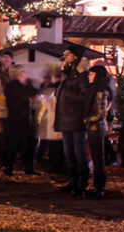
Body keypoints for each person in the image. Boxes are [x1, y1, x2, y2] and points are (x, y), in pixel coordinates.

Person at [55, 45, 91, 196]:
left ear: (75, 56)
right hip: (64, 117)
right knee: (68, 151)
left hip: (76, 117)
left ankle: (82, 181)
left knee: (78, 150)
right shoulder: (67, 73)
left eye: (68, 53)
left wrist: (68, 95)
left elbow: (85, 97)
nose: (66, 56)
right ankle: (72, 179)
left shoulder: (82, 75)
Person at [84, 64, 114, 199]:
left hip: (97, 127)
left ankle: (99, 187)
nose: (89, 77)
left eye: (91, 74)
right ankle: (97, 186)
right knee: (96, 157)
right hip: (94, 127)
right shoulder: (95, 89)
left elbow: (101, 112)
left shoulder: (101, 91)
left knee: (98, 158)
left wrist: (87, 120)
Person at [3, 65, 38, 176]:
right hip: (16, 119)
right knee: (14, 144)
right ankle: (9, 167)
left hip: (27, 120)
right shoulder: (11, 86)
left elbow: (34, 94)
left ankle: (28, 167)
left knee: (29, 144)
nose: (26, 72)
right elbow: (12, 102)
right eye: (23, 71)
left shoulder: (27, 86)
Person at [35, 68, 64, 175]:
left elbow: (52, 105)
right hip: (57, 120)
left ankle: (56, 167)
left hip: (53, 119)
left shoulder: (55, 89)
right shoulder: (60, 88)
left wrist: (44, 100)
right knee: (56, 145)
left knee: (55, 145)